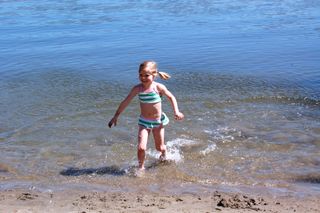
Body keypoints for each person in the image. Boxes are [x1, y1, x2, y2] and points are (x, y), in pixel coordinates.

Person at [108, 61, 184, 171]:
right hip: (144, 122)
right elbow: (126, 101)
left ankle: (164, 154)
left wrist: (176, 111)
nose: (143, 78)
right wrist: (115, 116)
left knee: (160, 147)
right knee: (141, 147)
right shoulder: (137, 89)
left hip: (158, 121)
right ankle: (141, 168)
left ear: (154, 75)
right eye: (140, 75)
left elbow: (171, 97)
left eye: (146, 75)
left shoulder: (158, 87)